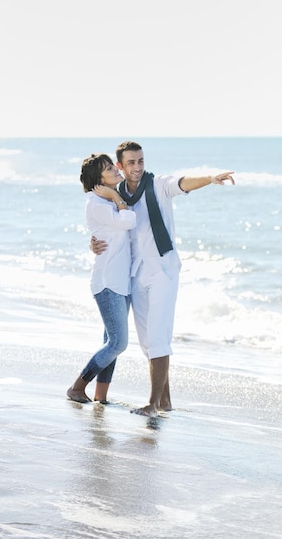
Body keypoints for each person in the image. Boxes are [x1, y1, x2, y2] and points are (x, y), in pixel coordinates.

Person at [92, 140, 235, 416]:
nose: (137, 167)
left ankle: (153, 404)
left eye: (141, 161)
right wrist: (93, 242)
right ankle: (166, 400)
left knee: (158, 337)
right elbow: (106, 226)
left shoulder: (157, 185)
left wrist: (209, 178)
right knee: (147, 341)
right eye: (131, 162)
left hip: (163, 271)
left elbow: (182, 183)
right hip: (135, 273)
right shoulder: (118, 196)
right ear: (120, 165)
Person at [67, 153, 136, 404]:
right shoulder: (98, 202)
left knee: (110, 342)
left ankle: (101, 397)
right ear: (99, 179)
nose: (116, 170)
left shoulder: (103, 201)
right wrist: (116, 197)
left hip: (120, 281)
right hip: (108, 283)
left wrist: (115, 198)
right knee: (118, 343)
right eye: (109, 168)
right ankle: (77, 387)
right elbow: (128, 221)